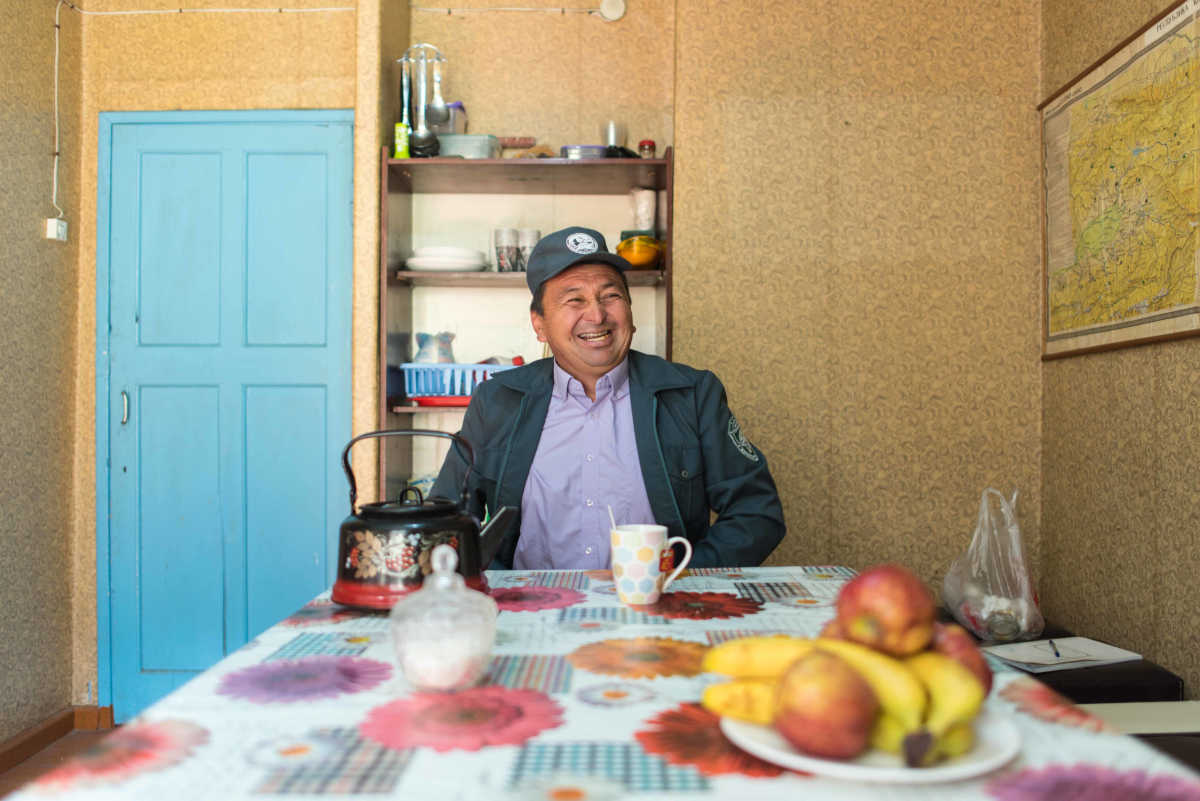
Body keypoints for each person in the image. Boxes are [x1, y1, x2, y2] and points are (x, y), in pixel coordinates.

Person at [431, 226, 785, 569]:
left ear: (630, 311)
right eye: (575, 300)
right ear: (538, 324)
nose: (597, 315)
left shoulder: (692, 394)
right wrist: (489, 579)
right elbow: (445, 519)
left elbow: (756, 511)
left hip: (657, 608)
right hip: (530, 609)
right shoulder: (497, 401)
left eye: (611, 296)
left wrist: (685, 577)